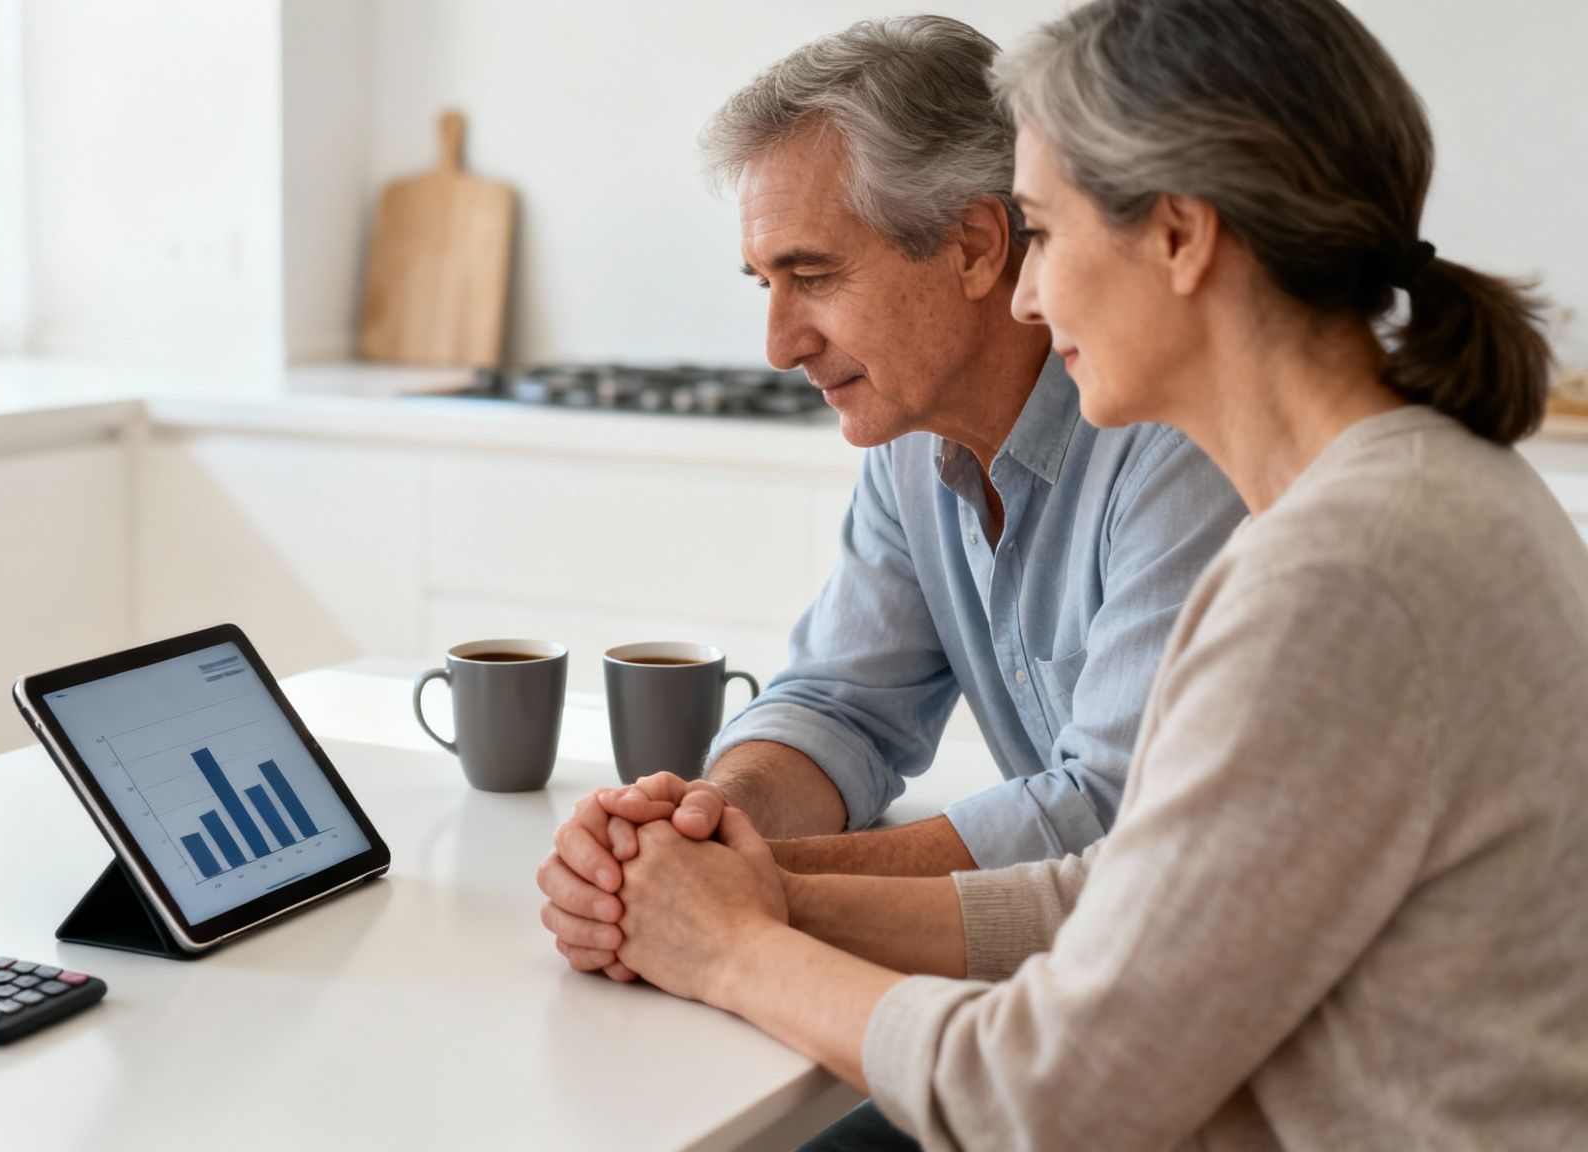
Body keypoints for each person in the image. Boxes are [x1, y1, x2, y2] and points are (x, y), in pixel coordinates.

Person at [599, 0, 1588, 1147]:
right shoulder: (1392, 501)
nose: (1025, 291)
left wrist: (733, 948)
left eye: (1045, 233)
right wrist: (757, 889)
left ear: (1178, 236)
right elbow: (1119, 891)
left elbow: (1048, 1098)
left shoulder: (1344, 574)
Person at [537, 16, 1245, 983]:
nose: (779, 344)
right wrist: (701, 822)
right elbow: (841, 710)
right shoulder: (914, 434)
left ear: (974, 246)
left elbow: (1114, 814)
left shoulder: (1179, 436)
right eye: (765, 284)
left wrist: (747, 889)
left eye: (813, 276)